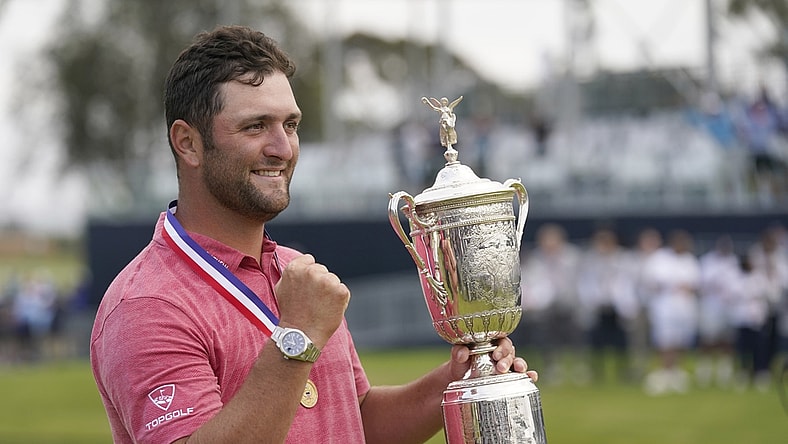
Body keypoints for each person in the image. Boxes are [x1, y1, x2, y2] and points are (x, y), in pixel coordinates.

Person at [89, 25, 534, 444]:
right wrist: (296, 335)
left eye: (291, 124)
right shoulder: (148, 304)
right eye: (255, 126)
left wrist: (457, 381)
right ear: (188, 143)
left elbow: (355, 420)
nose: (282, 148)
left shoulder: (293, 271)